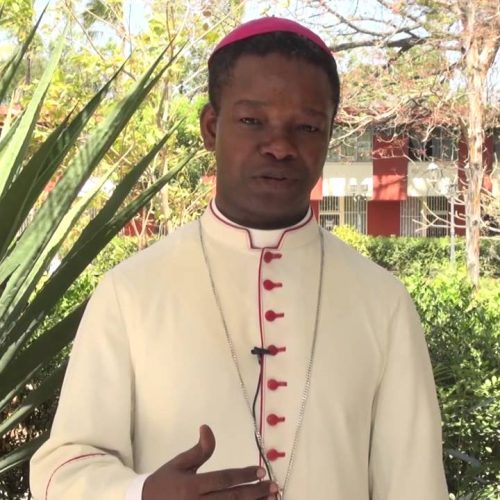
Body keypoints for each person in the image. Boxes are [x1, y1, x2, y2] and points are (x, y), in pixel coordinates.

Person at [30, 17, 449, 500]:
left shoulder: (383, 302)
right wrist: (140, 493)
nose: (280, 147)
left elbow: (415, 484)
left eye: (307, 127)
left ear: (329, 135)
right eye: (252, 121)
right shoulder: (129, 292)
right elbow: (64, 466)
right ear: (211, 127)